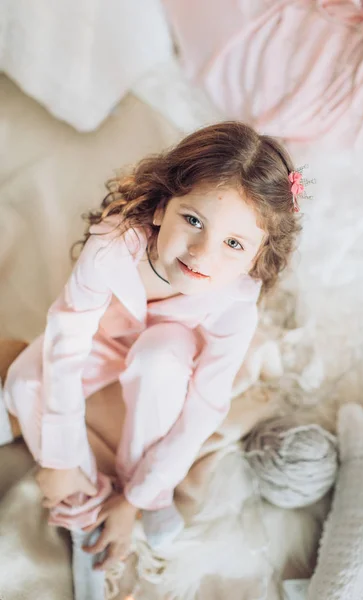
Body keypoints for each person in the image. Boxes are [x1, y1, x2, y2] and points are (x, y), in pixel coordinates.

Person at [0, 121, 302, 570]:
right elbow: (68, 335)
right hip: (104, 336)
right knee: (24, 381)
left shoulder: (237, 301)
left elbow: (205, 405)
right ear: (162, 208)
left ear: (255, 258)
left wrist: (139, 496)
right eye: (193, 220)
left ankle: (141, 492)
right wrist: (61, 459)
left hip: (169, 353)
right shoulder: (113, 244)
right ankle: (83, 495)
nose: (202, 253)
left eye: (233, 243)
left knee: (159, 355)